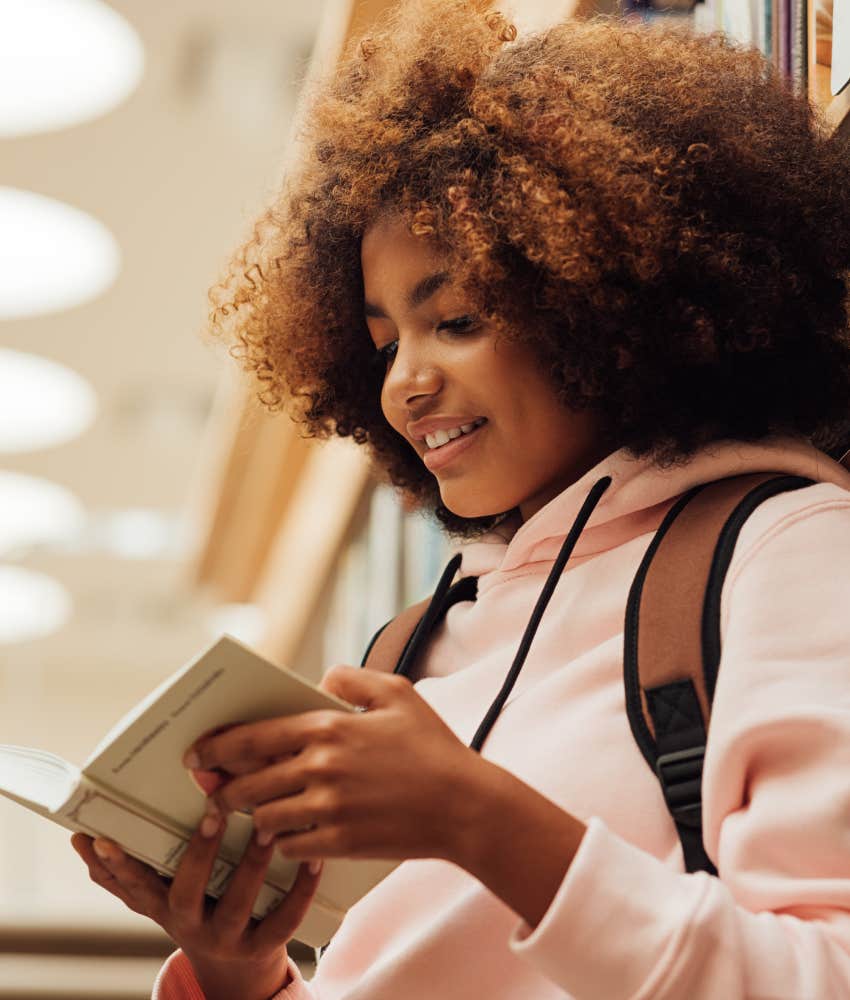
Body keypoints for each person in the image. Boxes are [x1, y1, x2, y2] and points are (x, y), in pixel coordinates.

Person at [71, 2, 850, 998]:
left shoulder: (781, 548)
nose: (403, 384)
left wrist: (474, 815)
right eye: (386, 341)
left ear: (605, 302)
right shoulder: (415, 642)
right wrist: (243, 967)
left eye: (458, 319)